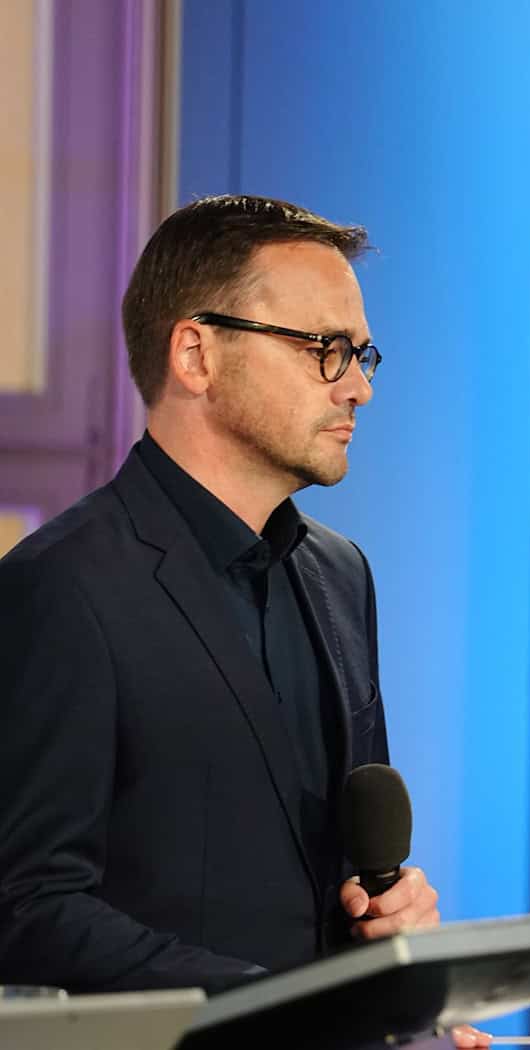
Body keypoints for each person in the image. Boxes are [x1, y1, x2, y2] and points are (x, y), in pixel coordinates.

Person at [0, 195, 486, 1046]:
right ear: (196, 353)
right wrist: (295, 1008)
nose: (361, 387)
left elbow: (337, 868)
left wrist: (394, 947)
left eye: (362, 353)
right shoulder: (61, 587)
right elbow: (27, 907)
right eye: (326, 351)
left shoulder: (342, 576)